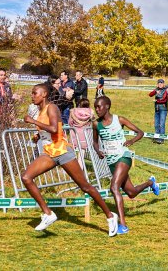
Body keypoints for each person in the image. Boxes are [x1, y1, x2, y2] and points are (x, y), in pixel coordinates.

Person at [22, 83, 119, 236]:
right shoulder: (40, 111)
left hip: (62, 151)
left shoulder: (52, 108)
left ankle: (110, 216)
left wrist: (33, 122)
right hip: (49, 152)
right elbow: (48, 131)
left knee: (85, 187)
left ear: (44, 94)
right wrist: (37, 136)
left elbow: (55, 129)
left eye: (35, 93)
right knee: (26, 177)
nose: (32, 95)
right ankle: (48, 214)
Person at [92, 96, 160, 235]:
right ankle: (150, 182)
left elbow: (140, 132)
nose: (97, 109)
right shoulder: (95, 124)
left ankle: (123, 225)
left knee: (114, 187)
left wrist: (131, 141)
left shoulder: (119, 120)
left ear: (107, 106)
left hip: (124, 156)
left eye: (99, 107)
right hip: (111, 161)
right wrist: (98, 151)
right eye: (95, 107)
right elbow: (95, 142)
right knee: (131, 193)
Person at [68, 98, 94, 169]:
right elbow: (92, 121)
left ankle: (71, 170)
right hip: (85, 136)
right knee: (81, 156)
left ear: (79, 104)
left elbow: (70, 122)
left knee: (70, 155)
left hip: (74, 134)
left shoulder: (73, 111)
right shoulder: (91, 112)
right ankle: (80, 171)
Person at [148, 79, 168, 144]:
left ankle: (161, 139)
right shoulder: (156, 89)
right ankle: (156, 137)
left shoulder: (166, 90)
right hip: (156, 109)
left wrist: (157, 101)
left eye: (161, 83)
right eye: (159, 83)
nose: (160, 84)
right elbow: (150, 94)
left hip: (163, 109)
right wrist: (155, 92)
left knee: (162, 124)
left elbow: (164, 100)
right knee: (156, 124)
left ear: (163, 84)